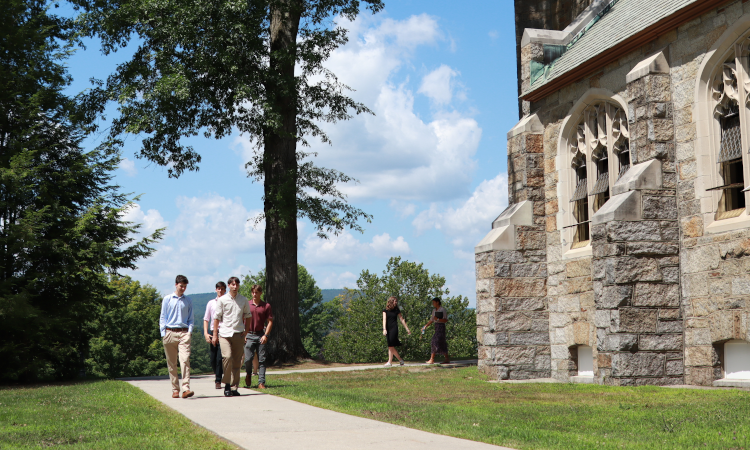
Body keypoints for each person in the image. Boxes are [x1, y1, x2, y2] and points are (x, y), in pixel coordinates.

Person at [212, 276, 251, 397]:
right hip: (224, 334)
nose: (235, 287)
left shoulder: (243, 300)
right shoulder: (222, 300)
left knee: (237, 361)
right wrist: (214, 335)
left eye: (237, 285)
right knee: (227, 357)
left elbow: (248, 316)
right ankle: (227, 384)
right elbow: (216, 318)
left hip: (238, 333)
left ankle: (234, 387)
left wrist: (246, 331)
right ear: (229, 285)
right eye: (233, 284)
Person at [159, 274, 194, 399]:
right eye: (181, 286)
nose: (183, 288)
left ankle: (186, 388)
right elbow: (163, 317)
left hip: (184, 333)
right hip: (169, 333)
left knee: (184, 360)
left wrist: (189, 332)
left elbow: (191, 318)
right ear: (176, 285)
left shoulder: (188, 300)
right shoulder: (167, 299)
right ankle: (175, 389)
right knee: (172, 363)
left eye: (185, 286)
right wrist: (163, 333)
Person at [244, 284, 274, 389]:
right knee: (248, 359)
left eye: (256, 292)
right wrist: (244, 333)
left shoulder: (266, 306)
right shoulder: (247, 304)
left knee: (262, 359)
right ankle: (248, 374)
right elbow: (242, 319)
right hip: (249, 334)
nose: (254, 294)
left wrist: (266, 335)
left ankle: (261, 382)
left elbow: (270, 321)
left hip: (261, 334)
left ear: (261, 293)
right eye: (253, 292)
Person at [203, 281, 226, 389]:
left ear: (225, 290)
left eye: (222, 288)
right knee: (213, 358)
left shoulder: (227, 302)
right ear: (216, 289)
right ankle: (218, 374)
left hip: (224, 331)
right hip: (213, 331)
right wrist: (206, 333)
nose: (220, 290)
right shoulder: (211, 303)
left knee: (220, 358)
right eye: (218, 288)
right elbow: (206, 319)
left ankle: (218, 380)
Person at [382, 296, 410, 367]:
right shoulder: (385, 310)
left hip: (394, 328)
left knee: (391, 345)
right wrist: (384, 329)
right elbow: (384, 320)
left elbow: (401, 319)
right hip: (388, 328)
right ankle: (400, 360)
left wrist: (407, 328)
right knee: (390, 346)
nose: (396, 303)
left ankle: (390, 362)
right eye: (395, 301)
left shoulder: (396, 310)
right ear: (391, 301)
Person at [421, 297, 450, 364]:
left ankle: (432, 359)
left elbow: (445, 320)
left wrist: (437, 319)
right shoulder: (434, 310)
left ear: (437, 302)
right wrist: (425, 326)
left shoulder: (442, 310)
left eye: (434, 302)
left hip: (441, 327)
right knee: (442, 343)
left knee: (434, 341)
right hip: (436, 327)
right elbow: (432, 319)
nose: (433, 304)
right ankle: (447, 358)